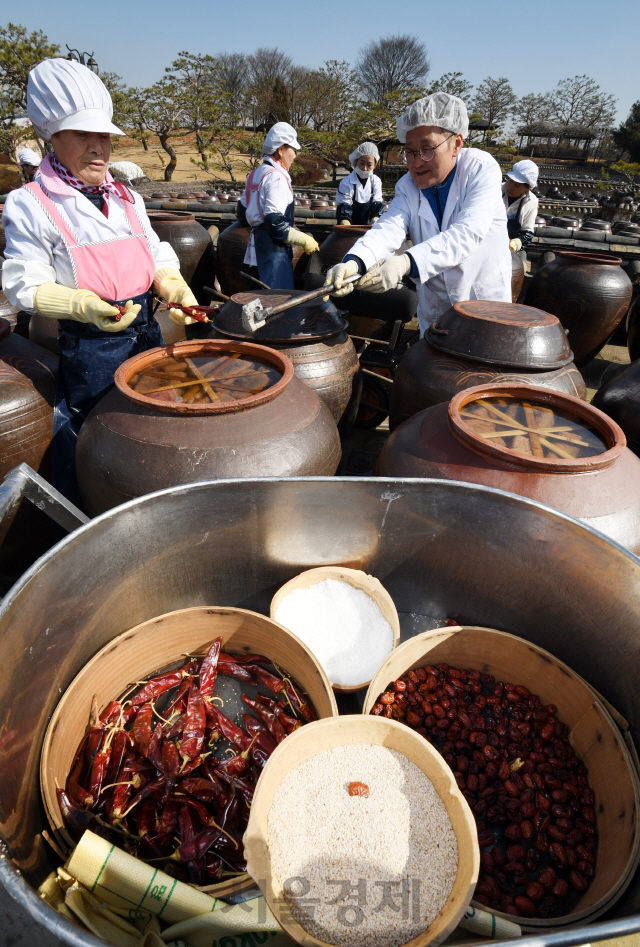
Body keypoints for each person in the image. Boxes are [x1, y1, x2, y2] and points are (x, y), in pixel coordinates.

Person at [1, 58, 199, 502]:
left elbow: (153, 250)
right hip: (92, 346)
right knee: (101, 438)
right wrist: (80, 305)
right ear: (52, 136)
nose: (98, 147)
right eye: (82, 135)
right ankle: (97, 514)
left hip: (148, 331)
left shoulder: (125, 195)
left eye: (104, 136)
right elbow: (20, 282)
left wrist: (172, 286)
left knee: (168, 421)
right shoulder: (31, 203)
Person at [323, 92, 511, 337]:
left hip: (482, 304)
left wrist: (405, 263)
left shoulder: (479, 170)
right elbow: (389, 228)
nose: (417, 161)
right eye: (410, 152)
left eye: (427, 149)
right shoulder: (407, 186)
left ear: (456, 144)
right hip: (435, 310)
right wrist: (354, 261)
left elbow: (466, 234)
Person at [237, 122, 318, 289]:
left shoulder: (255, 173)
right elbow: (275, 224)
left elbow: (242, 214)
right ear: (281, 149)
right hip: (273, 256)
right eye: (293, 150)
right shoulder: (277, 178)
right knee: (277, 306)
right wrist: (304, 240)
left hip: (252, 256)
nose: (295, 156)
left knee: (255, 306)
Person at [336, 142, 384, 226]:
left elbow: (377, 203)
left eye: (369, 165)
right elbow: (344, 206)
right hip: (349, 228)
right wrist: (345, 222)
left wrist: (375, 220)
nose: (365, 168)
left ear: (375, 164)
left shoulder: (375, 181)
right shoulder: (346, 182)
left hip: (369, 228)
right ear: (356, 161)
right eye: (361, 163)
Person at [503, 159, 539, 261]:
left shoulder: (531, 202)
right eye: (511, 181)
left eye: (517, 185)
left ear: (527, 187)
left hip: (510, 249)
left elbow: (527, 233)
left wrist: (514, 244)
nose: (510, 187)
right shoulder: (496, 190)